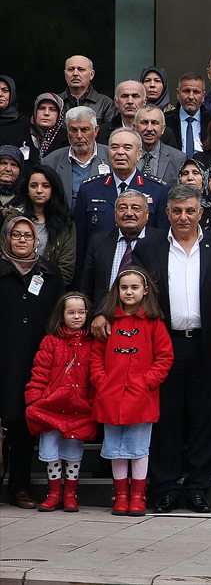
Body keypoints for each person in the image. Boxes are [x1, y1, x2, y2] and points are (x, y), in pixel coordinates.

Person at [127, 184, 211, 515]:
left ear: (201, 213)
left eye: (190, 211)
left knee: (205, 419)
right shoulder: (150, 246)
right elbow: (130, 288)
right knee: (166, 418)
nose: (183, 217)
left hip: (206, 343)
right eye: (177, 211)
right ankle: (167, 488)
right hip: (164, 345)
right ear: (167, 213)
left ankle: (199, 488)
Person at [89, 266, 173, 516]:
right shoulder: (108, 321)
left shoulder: (154, 323)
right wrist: (101, 382)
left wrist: (147, 382)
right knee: (115, 447)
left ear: (145, 291)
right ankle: (121, 495)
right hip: (110, 395)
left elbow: (165, 357)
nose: (128, 292)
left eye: (134, 287)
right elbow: (95, 356)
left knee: (138, 447)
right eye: (124, 287)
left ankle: (138, 495)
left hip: (141, 396)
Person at [0, 216, 66, 508]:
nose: (23, 240)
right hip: (3, 358)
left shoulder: (49, 273)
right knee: (3, 424)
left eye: (28, 235)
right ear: (7, 238)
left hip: (37, 360)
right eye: (17, 235)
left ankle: (20, 488)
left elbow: (59, 313)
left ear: (37, 239)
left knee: (26, 423)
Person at [24, 292, 95, 512]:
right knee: (51, 451)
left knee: (73, 451)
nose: (76, 316)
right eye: (71, 312)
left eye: (81, 312)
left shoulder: (92, 343)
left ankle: (71, 494)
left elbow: (95, 376)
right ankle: (53, 493)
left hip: (79, 407)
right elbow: (40, 372)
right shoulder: (51, 341)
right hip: (51, 406)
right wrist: (35, 399)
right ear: (61, 315)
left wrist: (93, 402)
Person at [73, 130, 170, 270]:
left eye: (127, 147)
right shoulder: (89, 189)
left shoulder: (158, 190)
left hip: (144, 272)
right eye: (114, 147)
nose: (120, 152)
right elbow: (80, 244)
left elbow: (162, 243)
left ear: (139, 154)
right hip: (101, 272)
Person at [76, 190, 167, 306]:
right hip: (106, 317)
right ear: (115, 214)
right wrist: (96, 315)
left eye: (136, 208)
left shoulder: (161, 241)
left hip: (148, 318)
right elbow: (87, 287)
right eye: (123, 208)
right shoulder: (98, 241)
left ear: (147, 214)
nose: (129, 213)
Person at [3, 165, 75, 285]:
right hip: (13, 288)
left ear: (53, 189)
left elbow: (66, 270)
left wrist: (40, 291)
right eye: (34, 186)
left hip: (49, 293)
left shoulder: (65, 224)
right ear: (27, 190)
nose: (39, 190)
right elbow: (3, 257)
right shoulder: (13, 218)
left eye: (45, 186)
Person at [44, 107, 108, 209]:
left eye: (84, 129)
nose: (79, 135)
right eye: (73, 130)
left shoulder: (112, 156)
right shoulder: (51, 162)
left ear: (96, 130)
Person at [164, 73, 211, 161]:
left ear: (203, 96)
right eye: (186, 91)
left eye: (196, 92)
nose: (191, 97)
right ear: (178, 94)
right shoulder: (165, 121)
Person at [59, 55, 116, 126]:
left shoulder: (105, 104)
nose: (75, 73)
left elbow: (108, 133)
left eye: (81, 69)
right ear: (65, 74)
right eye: (71, 69)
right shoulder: (56, 103)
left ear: (91, 75)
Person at [135, 106, 185, 186]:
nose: (149, 128)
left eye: (155, 123)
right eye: (144, 122)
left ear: (163, 129)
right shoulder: (126, 155)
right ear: (135, 128)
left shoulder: (179, 159)